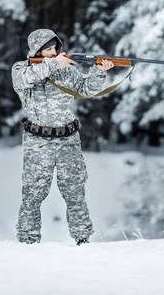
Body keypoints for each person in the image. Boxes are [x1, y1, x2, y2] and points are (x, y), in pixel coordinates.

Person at [11, 29, 114, 245]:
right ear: (36, 51)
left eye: (54, 48)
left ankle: (82, 239)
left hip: (68, 140)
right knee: (32, 194)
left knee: (75, 192)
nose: (52, 52)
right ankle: (27, 242)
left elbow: (86, 90)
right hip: (37, 143)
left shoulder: (67, 71)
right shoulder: (21, 69)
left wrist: (98, 72)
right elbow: (25, 79)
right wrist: (55, 63)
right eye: (47, 49)